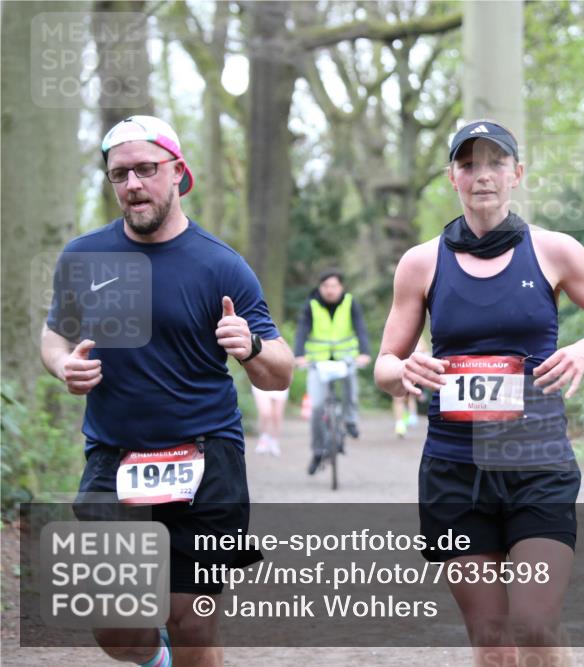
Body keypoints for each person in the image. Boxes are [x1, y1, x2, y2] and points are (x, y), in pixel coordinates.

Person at [374, 120, 584, 666]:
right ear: (453, 177)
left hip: (537, 464)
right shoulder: (421, 263)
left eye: (495, 163)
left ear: (517, 173)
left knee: (536, 625)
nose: (482, 176)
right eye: (468, 164)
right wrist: (403, 371)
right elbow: (384, 363)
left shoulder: (554, 251)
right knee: (494, 640)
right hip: (455, 469)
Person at [40, 115, 294, 667]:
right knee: (116, 628)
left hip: (205, 460)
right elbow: (55, 332)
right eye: (120, 174)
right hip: (115, 458)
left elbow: (281, 371)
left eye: (146, 169)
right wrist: (63, 366)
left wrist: (249, 345)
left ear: (178, 172)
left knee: (192, 624)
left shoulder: (221, 265)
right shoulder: (85, 257)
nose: (133, 184)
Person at [293, 270, 372, 474]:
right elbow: (302, 330)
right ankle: (318, 451)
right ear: (320, 288)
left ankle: (350, 421)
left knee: (350, 388)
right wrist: (298, 354)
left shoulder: (350, 303)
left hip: (345, 358)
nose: (330, 290)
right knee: (317, 407)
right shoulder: (311, 305)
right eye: (326, 286)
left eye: (334, 286)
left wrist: (364, 352)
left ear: (341, 287)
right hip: (318, 361)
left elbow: (360, 327)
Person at [392, 336, 428, 437]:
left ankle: (411, 415)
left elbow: (424, 352)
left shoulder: (419, 338)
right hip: (399, 370)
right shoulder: (396, 336)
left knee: (410, 397)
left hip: (413, 373)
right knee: (398, 397)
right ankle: (400, 424)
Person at [251, 385, 289, 456]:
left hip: (279, 381)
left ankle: (274, 441)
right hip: (262, 381)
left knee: (277, 415)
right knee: (265, 412)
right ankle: (263, 439)